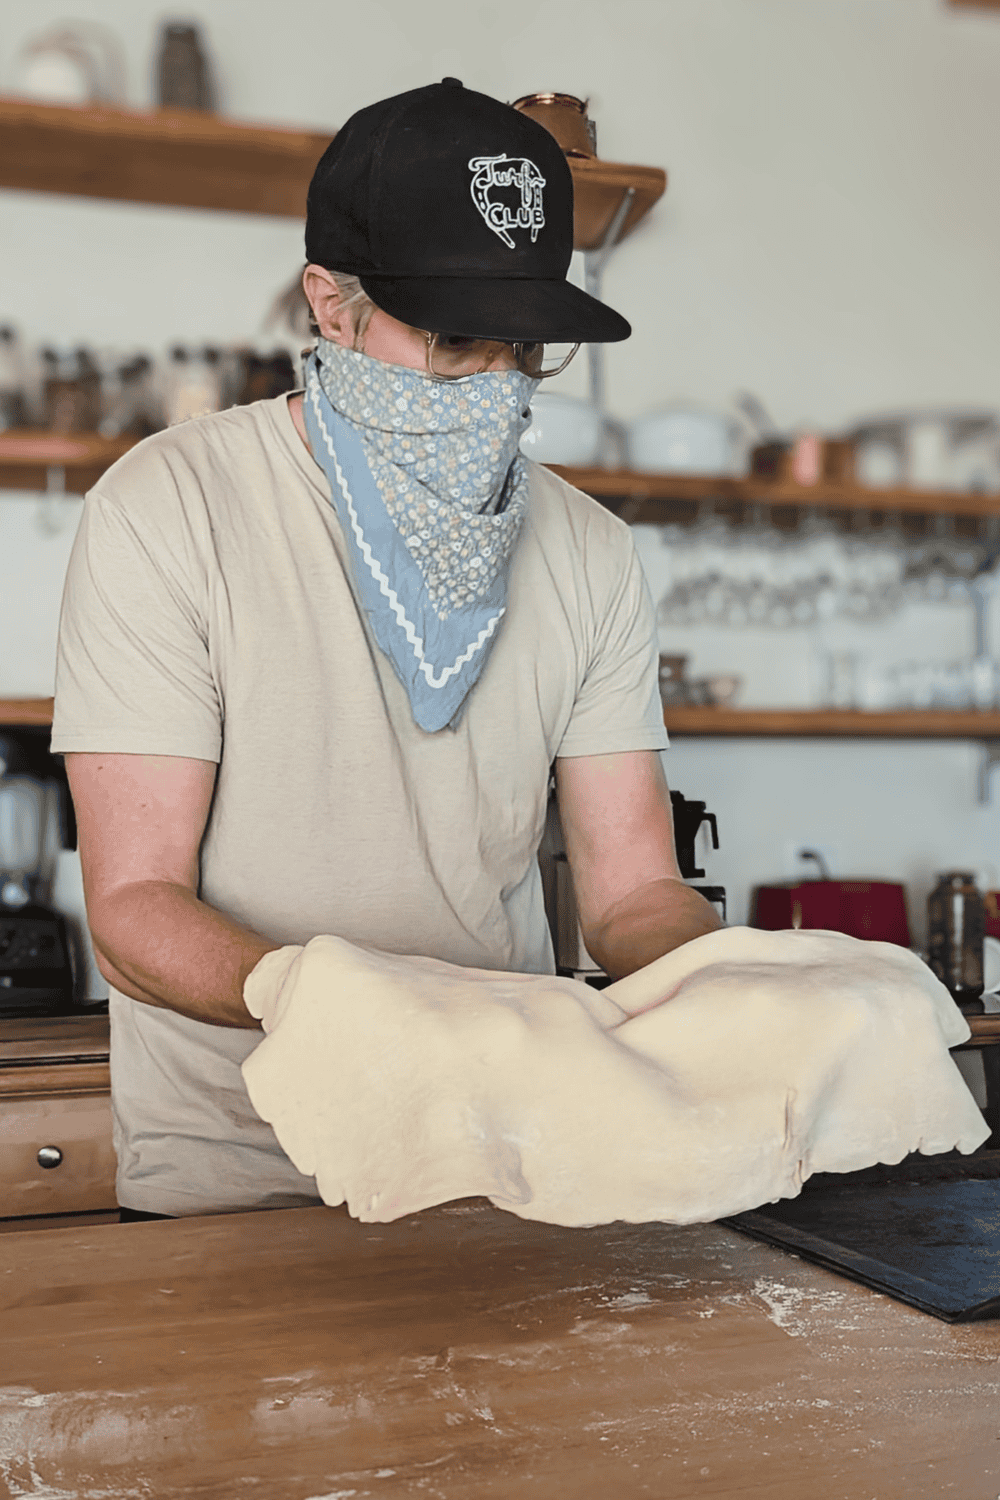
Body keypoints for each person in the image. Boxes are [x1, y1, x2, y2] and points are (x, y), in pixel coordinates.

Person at [51, 79, 721, 1221]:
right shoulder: (170, 507)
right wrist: (342, 1000)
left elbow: (632, 892)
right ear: (329, 303)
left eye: (527, 343)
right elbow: (133, 910)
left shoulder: (590, 551)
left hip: (508, 1159)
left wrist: (737, 980)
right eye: (457, 338)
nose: (499, 380)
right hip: (241, 1177)